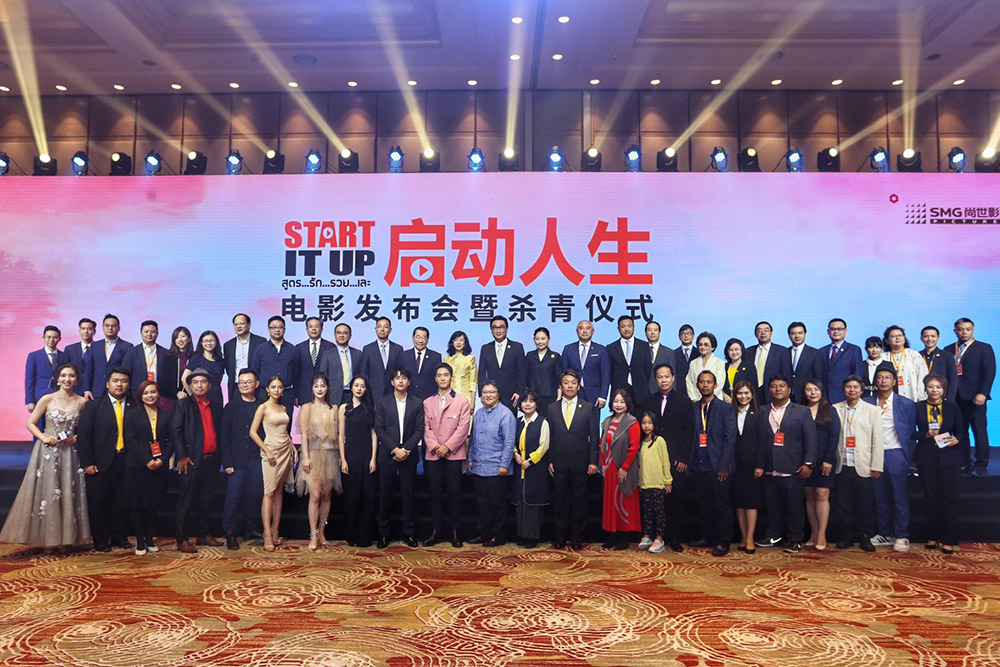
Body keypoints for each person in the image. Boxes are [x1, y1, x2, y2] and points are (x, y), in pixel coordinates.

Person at [1, 362, 90, 551]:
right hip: (49, 452)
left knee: (68, 493)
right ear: (57, 378)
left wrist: (77, 438)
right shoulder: (47, 399)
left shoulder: (81, 402)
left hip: (71, 454)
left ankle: (67, 540)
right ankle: (49, 541)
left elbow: (88, 429)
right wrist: (44, 438)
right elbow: (30, 423)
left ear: (77, 379)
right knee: (49, 493)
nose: (67, 379)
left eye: (71, 376)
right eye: (63, 375)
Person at [755, 375, 817, 554]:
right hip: (769, 467)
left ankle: (795, 539)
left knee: (794, 507)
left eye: (782, 386)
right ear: (769, 390)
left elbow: (811, 439)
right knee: (772, 505)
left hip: (793, 467)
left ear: (789, 390)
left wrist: (808, 464)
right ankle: (773, 535)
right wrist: (760, 465)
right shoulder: (762, 411)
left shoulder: (802, 411)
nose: (778, 389)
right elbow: (760, 441)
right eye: (774, 386)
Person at [77, 367, 132, 551]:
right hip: (99, 463)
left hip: (127, 461)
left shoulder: (135, 405)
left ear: (128, 384)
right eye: (115, 381)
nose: (119, 384)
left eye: (124, 381)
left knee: (122, 502)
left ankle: (119, 537)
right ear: (107, 384)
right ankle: (101, 540)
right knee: (99, 503)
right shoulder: (93, 406)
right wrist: (87, 462)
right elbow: (84, 436)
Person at [641, 363, 695, 552]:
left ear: (673, 378)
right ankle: (656, 536)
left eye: (666, 376)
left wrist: (683, 457)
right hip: (654, 460)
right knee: (655, 502)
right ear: (655, 380)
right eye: (659, 377)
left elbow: (689, 432)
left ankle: (675, 537)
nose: (663, 380)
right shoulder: (649, 401)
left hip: (676, 459)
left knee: (676, 500)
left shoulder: (684, 401)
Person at [172, 368, 224, 553]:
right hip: (191, 460)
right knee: (186, 502)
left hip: (211, 460)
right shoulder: (183, 405)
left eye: (203, 382)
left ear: (209, 385)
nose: (199, 385)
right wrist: (182, 456)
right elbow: (176, 431)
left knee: (206, 500)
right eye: (195, 382)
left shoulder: (216, 405)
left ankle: (203, 535)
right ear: (190, 386)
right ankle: (182, 539)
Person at [685, 371, 737, 557]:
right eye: (702, 382)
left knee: (722, 505)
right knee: (704, 504)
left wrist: (724, 466)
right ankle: (708, 537)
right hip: (698, 464)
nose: (705, 385)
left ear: (715, 385)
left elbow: (730, 439)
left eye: (709, 382)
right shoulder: (693, 408)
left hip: (719, 466)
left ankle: (723, 541)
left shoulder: (725, 408)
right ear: (697, 385)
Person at [547, 370, 599, 550]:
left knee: (579, 501)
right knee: (560, 501)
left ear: (579, 386)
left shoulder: (588, 407)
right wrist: (550, 460)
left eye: (573, 382)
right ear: (561, 386)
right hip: (559, 462)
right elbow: (550, 436)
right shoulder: (552, 408)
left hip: (581, 462)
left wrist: (593, 461)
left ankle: (577, 536)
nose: (569, 386)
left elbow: (594, 436)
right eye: (566, 382)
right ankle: (560, 536)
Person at [866, 367, 916, 552]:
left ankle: (902, 535)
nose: (883, 381)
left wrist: (906, 456)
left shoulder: (906, 404)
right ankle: (885, 533)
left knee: (898, 496)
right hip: (873, 454)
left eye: (887, 377)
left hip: (895, 453)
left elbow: (909, 431)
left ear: (894, 381)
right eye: (880, 377)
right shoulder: (867, 402)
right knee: (879, 496)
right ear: (875, 382)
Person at [374, 368, 424, 548]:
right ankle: (383, 535)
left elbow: (419, 429)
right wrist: (395, 449)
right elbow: (379, 429)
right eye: (397, 378)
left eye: (404, 378)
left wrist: (406, 449)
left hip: (409, 455)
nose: (400, 381)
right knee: (384, 496)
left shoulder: (417, 403)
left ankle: (409, 534)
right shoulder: (382, 402)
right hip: (388, 454)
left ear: (409, 382)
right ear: (392, 382)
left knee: (408, 496)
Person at [422, 363, 471, 548]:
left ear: (452, 377)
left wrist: (447, 447)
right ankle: (436, 532)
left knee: (454, 494)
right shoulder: (427, 402)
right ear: (435, 379)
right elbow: (426, 428)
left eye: (446, 375)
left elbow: (463, 429)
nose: (442, 378)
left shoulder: (462, 402)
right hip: (433, 455)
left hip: (454, 455)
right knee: (434, 494)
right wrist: (436, 447)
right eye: (439, 375)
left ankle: (455, 532)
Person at [833, 376, 883, 552]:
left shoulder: (872, 410)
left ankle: (865, 536)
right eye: (848, 387)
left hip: (863, 464)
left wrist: (876, 465)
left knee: (864, 504)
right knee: (842, 504)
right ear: (843, 390)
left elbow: (878, 439)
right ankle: (846, 535)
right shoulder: (835, 409)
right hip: (842, 464)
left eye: (855, 387)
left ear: (862, 390)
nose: (852, 390)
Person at [914, 373, 962, 554]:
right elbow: (909, 431)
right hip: (926, 457)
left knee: (949, 498)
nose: (934, 390)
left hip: (949, 458)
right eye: (931, 386)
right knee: (930, 498)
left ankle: (949, 539)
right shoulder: (918, 407)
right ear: (925, 388)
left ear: (944, 389)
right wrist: (924, 435)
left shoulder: (952, 407)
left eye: (938, 387)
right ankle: (932, 536)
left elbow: (962, 431)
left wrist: (957, 439)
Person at [248, 376, 297, 552]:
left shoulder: (284, 408)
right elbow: (253, 432)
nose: (277, 390)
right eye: (273, 387)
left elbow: (285, 432)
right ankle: (267, 532)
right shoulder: (263, 407)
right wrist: (267, 450)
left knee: (278, 492)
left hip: (285, 450)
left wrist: (293, 447)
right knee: (269, 492)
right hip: (271, 452)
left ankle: (276, 531)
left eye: (280, 387)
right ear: (267, 390)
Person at [123, 380, 172, 555]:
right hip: (137, 467)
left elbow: (171, 441)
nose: (149, 396)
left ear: (158, 394)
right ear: (140, 395)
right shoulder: (132, 415)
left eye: (153, 392)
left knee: (153, 505)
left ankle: (150, 538)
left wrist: (162, 460)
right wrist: (147, 460)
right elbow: (130, 441)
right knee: (137, 506)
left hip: (159, 467)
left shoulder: (166, 415)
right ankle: (140, 542)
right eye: (146, 393)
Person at [295, 372, 342, 550]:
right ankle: (313, 534)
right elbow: (304, 435)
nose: (320, 389)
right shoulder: (306, 408)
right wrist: (305, 457)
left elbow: (339, 435)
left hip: (330, 455)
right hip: (313, 455)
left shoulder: (334, 409)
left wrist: (341, 457)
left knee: (327, 495)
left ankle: (322, 533)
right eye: (316, 386)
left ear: (327, 388)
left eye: (323, 386)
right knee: (314, 494)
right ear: (312, 388)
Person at [468, 381, 516, 547]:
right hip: (479, 467)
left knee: (498, 505)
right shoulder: (479, 413)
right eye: (485, 392)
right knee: (482, 504)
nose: (488, 395)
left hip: (497, 468)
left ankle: (498, 536)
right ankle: (484, 534)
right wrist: (470, 459)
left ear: (498, 394)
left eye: (492, 392)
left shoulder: (506, 414)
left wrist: (504, 464)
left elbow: (509, 442)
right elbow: (473, 439)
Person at [220, 368, 264, 550]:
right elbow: (224, 436)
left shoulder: (262, 405)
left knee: (254, 496)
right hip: (236, 461)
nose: (245, 385)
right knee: (234, 497)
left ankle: (250, 529)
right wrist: (227, 462)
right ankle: (230, 532)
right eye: (242, 382)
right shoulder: (231, 406)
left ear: (256, 384)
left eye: (248, 382)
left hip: (256, 459)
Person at [950, 317, 996, 476]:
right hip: (955, 398)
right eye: (960, 329)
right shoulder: (949, 349)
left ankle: (981, 464)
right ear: (955, 331)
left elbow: (989, 372)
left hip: (976, 397)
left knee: (979, 431)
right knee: (960, 432)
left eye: (967, 329)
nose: (964, 332)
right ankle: (964, 463)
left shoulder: (984, 348)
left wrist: (983, 393)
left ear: (973, 330)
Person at [599, 388, 643, 550]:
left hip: (624, 469)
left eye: (622, 402)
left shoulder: (632, 422)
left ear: (627, 404)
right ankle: (613, 536)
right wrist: (603, 465)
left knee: (624, 502)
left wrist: (625, 468)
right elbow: (601, 445)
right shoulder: (607, 421)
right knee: (611, 503)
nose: (619, 405)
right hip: (609, 469)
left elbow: (634, 448)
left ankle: (625, 537)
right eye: (616, 401)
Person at [339, 375, 378, 547]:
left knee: (367, 498)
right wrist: (343, 459)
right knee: (351, 498)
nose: (359, 388)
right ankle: (351, 535)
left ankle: (364, 538)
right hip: (350, 456)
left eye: (362, 386)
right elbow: (341, 436)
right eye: (356, 385)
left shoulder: (371, 408)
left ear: (366, 388)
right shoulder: (344, 408)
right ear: (352, 387)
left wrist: (373, 458)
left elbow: (374, 434)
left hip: (367, 455)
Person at [802, 380, 840, 551]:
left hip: (825, 459)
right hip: (806, 461)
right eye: (809, 390)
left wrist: (829, 460)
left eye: (816, 389)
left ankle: (822, 534)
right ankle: (814, 532)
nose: (812, 393)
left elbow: (834, 436)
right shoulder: (801, 410)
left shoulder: (830, 410)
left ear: (821, 391)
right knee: (809, 496)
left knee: (821, 495)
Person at [512, 389, 551, 549]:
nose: (527, 404)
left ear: (536, 404)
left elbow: (544, 446)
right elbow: (512, 442)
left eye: (531, 401)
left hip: (535, 469)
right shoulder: (518, 421)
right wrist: (516, 455)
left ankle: (532, 536)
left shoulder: (543, 422)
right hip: (519, 468)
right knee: (521, 502)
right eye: (524, 401)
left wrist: (530, 460)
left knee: (533, 503)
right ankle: (522, 534)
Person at [732, 380, 764, 555]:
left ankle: (751, 537)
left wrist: (760, 464)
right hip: (735, 464)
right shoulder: (730, 412)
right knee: (739, 502)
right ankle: (743, 537)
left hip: (753, 464)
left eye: (746, 393)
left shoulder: (759, 413)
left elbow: (763, 441)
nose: (743, 396)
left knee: (751, 502)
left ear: (752, 395)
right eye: (740, 393)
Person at [636, 412, 672, 554]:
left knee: (659, 513)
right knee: (647, 512)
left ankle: (659, 538)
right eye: (644, 423)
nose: (646, 426)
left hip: (658, 484)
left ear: (654, 425)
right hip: (645, 484)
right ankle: (647, 536)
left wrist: (668, 481)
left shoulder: (659, 441)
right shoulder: (640, 442)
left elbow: (665, 462)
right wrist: (639, 482)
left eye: (649, 423)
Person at [250, 316, 299, 419]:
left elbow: (297, 373)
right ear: (269, 329)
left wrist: (296, 395)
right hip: (264, 394)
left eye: (280, 327)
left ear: (284, 329)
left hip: (286, 393)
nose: (277, 330)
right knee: (264, 423)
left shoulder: (293, 349)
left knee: (286, 423)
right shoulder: (260, 349)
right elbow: (254, 371)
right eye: (273, 327)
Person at [478, 316, 526, 411]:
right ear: (491, 330)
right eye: (495, 327)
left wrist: (519, 392)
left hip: (511, 396)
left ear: (507, 329)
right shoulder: (486, 348)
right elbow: (482, 373)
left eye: (501, 327)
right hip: (491, 396)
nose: (498, 330)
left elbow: (522, 371)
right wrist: (482, 394)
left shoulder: (517, 347)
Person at [561, 320, 610, 408]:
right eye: (581, 328)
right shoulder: (568, 349)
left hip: (594, 395)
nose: (584, 331)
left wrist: (603, 396)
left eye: (588, 328)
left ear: (593, 331)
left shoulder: (601, 350)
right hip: (572, 393)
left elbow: (605, 375)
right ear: (577, 331)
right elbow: (563, 373)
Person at [607, 315, 652, 410]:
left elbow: (648, 370)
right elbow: (609, 372)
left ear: (634, 327)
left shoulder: (644, 346)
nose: (626, 329)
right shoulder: (611, 348)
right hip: (619, 392)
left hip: (640, 393)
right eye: (623, 326)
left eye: (629, 326)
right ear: (618, 329)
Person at [83, 313, 132, 399]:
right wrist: (87, 389)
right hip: (97, 390)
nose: (110, 328)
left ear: (119, 328)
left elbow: (128, 371)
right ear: (103, 328)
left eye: (113, 326)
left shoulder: (127, 346)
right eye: (107, 325)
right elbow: (89, 369)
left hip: (118, 389)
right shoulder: (95, 346)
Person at [123, 320, 175, 401]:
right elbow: (125, 374)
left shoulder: (166, 353)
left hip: (160, 395)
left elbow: (170, 377)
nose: (149, 334)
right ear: (141, 333)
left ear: (157, 333)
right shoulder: (132, 352)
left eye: (153, 332)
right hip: (137, 395)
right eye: (146, 332)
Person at [746, 321, 791, 406]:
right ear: (755, 334)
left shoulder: (782, 351)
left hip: (774, 392)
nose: (763, 333)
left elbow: (786, 374)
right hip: (753, 393)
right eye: (759, 330)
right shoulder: (748, 352)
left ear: (771, 333)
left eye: (766, 330)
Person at [223, 313, 266, 401]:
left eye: (241, 323)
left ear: (249, 325)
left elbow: (264, 365)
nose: (238, 326)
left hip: (256, 386)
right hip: (236, 385)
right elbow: (228, 367)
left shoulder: (260, 341)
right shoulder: (228, 345)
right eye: (236, 324)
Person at [358, 316, 404, 399]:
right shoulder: (367, 349)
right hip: (372, 394)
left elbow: (401, 371)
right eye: (379, 326)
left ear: (390, 330)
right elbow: (363, 373)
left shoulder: (398, 349)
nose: (382, 329)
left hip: (393, 392)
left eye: (386, 327)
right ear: (375, 329)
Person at [820, 318, 863, 404]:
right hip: (824, 397)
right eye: (833, 329)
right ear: (828, 332)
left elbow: (857, 374)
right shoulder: (821, 351)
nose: (836, 331)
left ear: (845, 331)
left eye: (839, 329)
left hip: (844, 396)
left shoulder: (854, 350)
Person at [319, 322, 362, 406]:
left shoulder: (358, 354)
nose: (341, 335)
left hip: (353, 394)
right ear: (335, 335)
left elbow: (361, 375)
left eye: (345, 333)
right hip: (333, 395)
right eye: (338, 333)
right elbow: (323, 376)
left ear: (350, 336)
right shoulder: (327, 354)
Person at [25, 326, 66, 413]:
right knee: (40, 421)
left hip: (60, 397)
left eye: (55, 337)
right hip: (40, 396)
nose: (51, 340)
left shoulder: (64, 356)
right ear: (43, 338)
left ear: (59, 339)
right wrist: (30, 401)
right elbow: (29, 380)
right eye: (48, 337)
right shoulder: (34, 356)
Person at [881, 325, 928, 401]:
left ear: (904, 339)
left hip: (912, 399)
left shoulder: (914, 355)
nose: (897, 338)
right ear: (887, 340)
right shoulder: (883, 357)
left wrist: (921, 398)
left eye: (900, 335)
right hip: (888, 401)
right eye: (893, 336)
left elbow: (923, 377)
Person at [295, 317, 334, 406]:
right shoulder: (299, 348)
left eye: (316, 326)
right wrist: (296, 395)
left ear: (321, 329)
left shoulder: (330, 347)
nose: (313, 329)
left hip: (324, 393)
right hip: (304, 393)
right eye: (310, 326)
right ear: (307, 329)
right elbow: (296, 373)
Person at [182, 330, 226, 406]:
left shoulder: (220, 361)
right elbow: (184, 379)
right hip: (200, 397)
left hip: (216, 396)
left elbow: (219, 380)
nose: (208, 343)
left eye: (211, 340)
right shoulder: (196, 358)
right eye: (205, 341)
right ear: (201, 343)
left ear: (216, 342)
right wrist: (192, 396)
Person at [787, 322, 825, 405]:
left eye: (800, 333)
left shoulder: (815, 353)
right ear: (789, 336)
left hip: (806, 396)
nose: (797, 336)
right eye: (793, 333)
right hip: (787, 396)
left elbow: (818, 377)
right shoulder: (784, 352)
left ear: (805, 334)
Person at [526, 327, 562, 410]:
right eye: (537, 339)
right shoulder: (530, 355)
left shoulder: (555, 356)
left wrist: (559, 397)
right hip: (533, 396)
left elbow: (559, 379)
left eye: (543, 339)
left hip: (550, 396)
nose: (540, 342)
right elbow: (526, 375)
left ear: (549, 339)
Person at [402, 326, 442, 401]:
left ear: (427, 340)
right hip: (407, 398)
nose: (420, 341)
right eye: (418, 337)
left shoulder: (435, 357)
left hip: (429, 399)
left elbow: (438, 379)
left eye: (423, 338)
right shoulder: (404, 355)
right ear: (413, 338)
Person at [919, 326, 958, 402]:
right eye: (926, 336)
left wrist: (949, 400)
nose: (929, 339)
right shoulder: (917, 356)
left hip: (942, 397)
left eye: (933, 336)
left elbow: (953, 379)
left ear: (938, 338)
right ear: (921, 338)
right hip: (922, 398)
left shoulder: (946, 355)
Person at [444, 330, 478, 413]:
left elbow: (473, 382)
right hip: (449, 397)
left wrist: (473, 401)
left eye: (461, 340)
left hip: (465, 397)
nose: (458, 343)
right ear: (452, 342)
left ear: (465, 342)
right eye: (456, 340)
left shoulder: (470, 359)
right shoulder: (447, 359)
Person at [685, 332, 725, 401]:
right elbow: (689, 382)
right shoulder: (693, 363)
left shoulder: (719, 363)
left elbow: (719, 384)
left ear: (713, 347)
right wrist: (693, 398)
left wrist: (706, 399)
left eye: (706, 345)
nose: (703, 347)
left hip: (714, 401)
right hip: (696, 401)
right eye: (700, 345)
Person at [65, 318, 96, 395]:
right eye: (83, 329)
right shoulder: (70, 349)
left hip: (95, 389)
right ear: (79, 331)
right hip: (74, 390)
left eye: (89, 329)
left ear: (94, 331)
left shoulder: (100, 348)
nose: (86, 331)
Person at [645, 321, 678, 395]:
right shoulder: (640, 350)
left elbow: (673, 376)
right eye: (649, 330)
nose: (652, 332)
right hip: (643, 393)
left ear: (659, 333)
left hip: (662, 392)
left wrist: (672, 395)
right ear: (645, 333)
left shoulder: (669, 353)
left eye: (655, 330)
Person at [164, 326, 194, 404]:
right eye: (177, 337)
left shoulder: (195, 357)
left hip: (190, 397)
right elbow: (164, 380)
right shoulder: (168, 357)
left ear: (189, 339)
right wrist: (176, 393)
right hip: (171, 397)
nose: (180, 339)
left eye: (183, 336)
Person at [722, 338, 756, 404]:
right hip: (726, 403)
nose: (734, 352)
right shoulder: (724, 367)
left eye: (736, 349)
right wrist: (724, 395)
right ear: (727, 351)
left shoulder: (749, 366)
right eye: (731, 350)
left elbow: (753, 387)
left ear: (742, 350)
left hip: (744, 402)